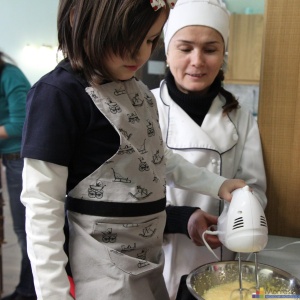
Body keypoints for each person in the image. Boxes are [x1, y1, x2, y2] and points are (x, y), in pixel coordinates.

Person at [20, 1, 246, 299]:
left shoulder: (138, 92)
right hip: (105, 270)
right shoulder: (58, 95)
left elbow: (158, 159)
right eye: (127, 38)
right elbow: (42, 205)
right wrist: (54, 293)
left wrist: (218, 185)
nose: (139, 53)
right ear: (78, 19)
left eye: (151, 40)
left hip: (151, 260)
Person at [151, 0, 268, 299]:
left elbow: (254, 190)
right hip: (155, 256)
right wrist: (181, 218)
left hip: (220, 260)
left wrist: (228, 225)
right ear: (167, 52)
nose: (197, 60)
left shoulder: (239, 117)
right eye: (185, 48)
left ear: (223, 55)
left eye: (210, 49)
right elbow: (126, 196)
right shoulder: (145, 108)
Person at [0, 51, 36, 300]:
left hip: (19, 161)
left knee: (26, 230)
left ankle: (29, 291)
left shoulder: (10, 75)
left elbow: (20, 122)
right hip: (8, 161)